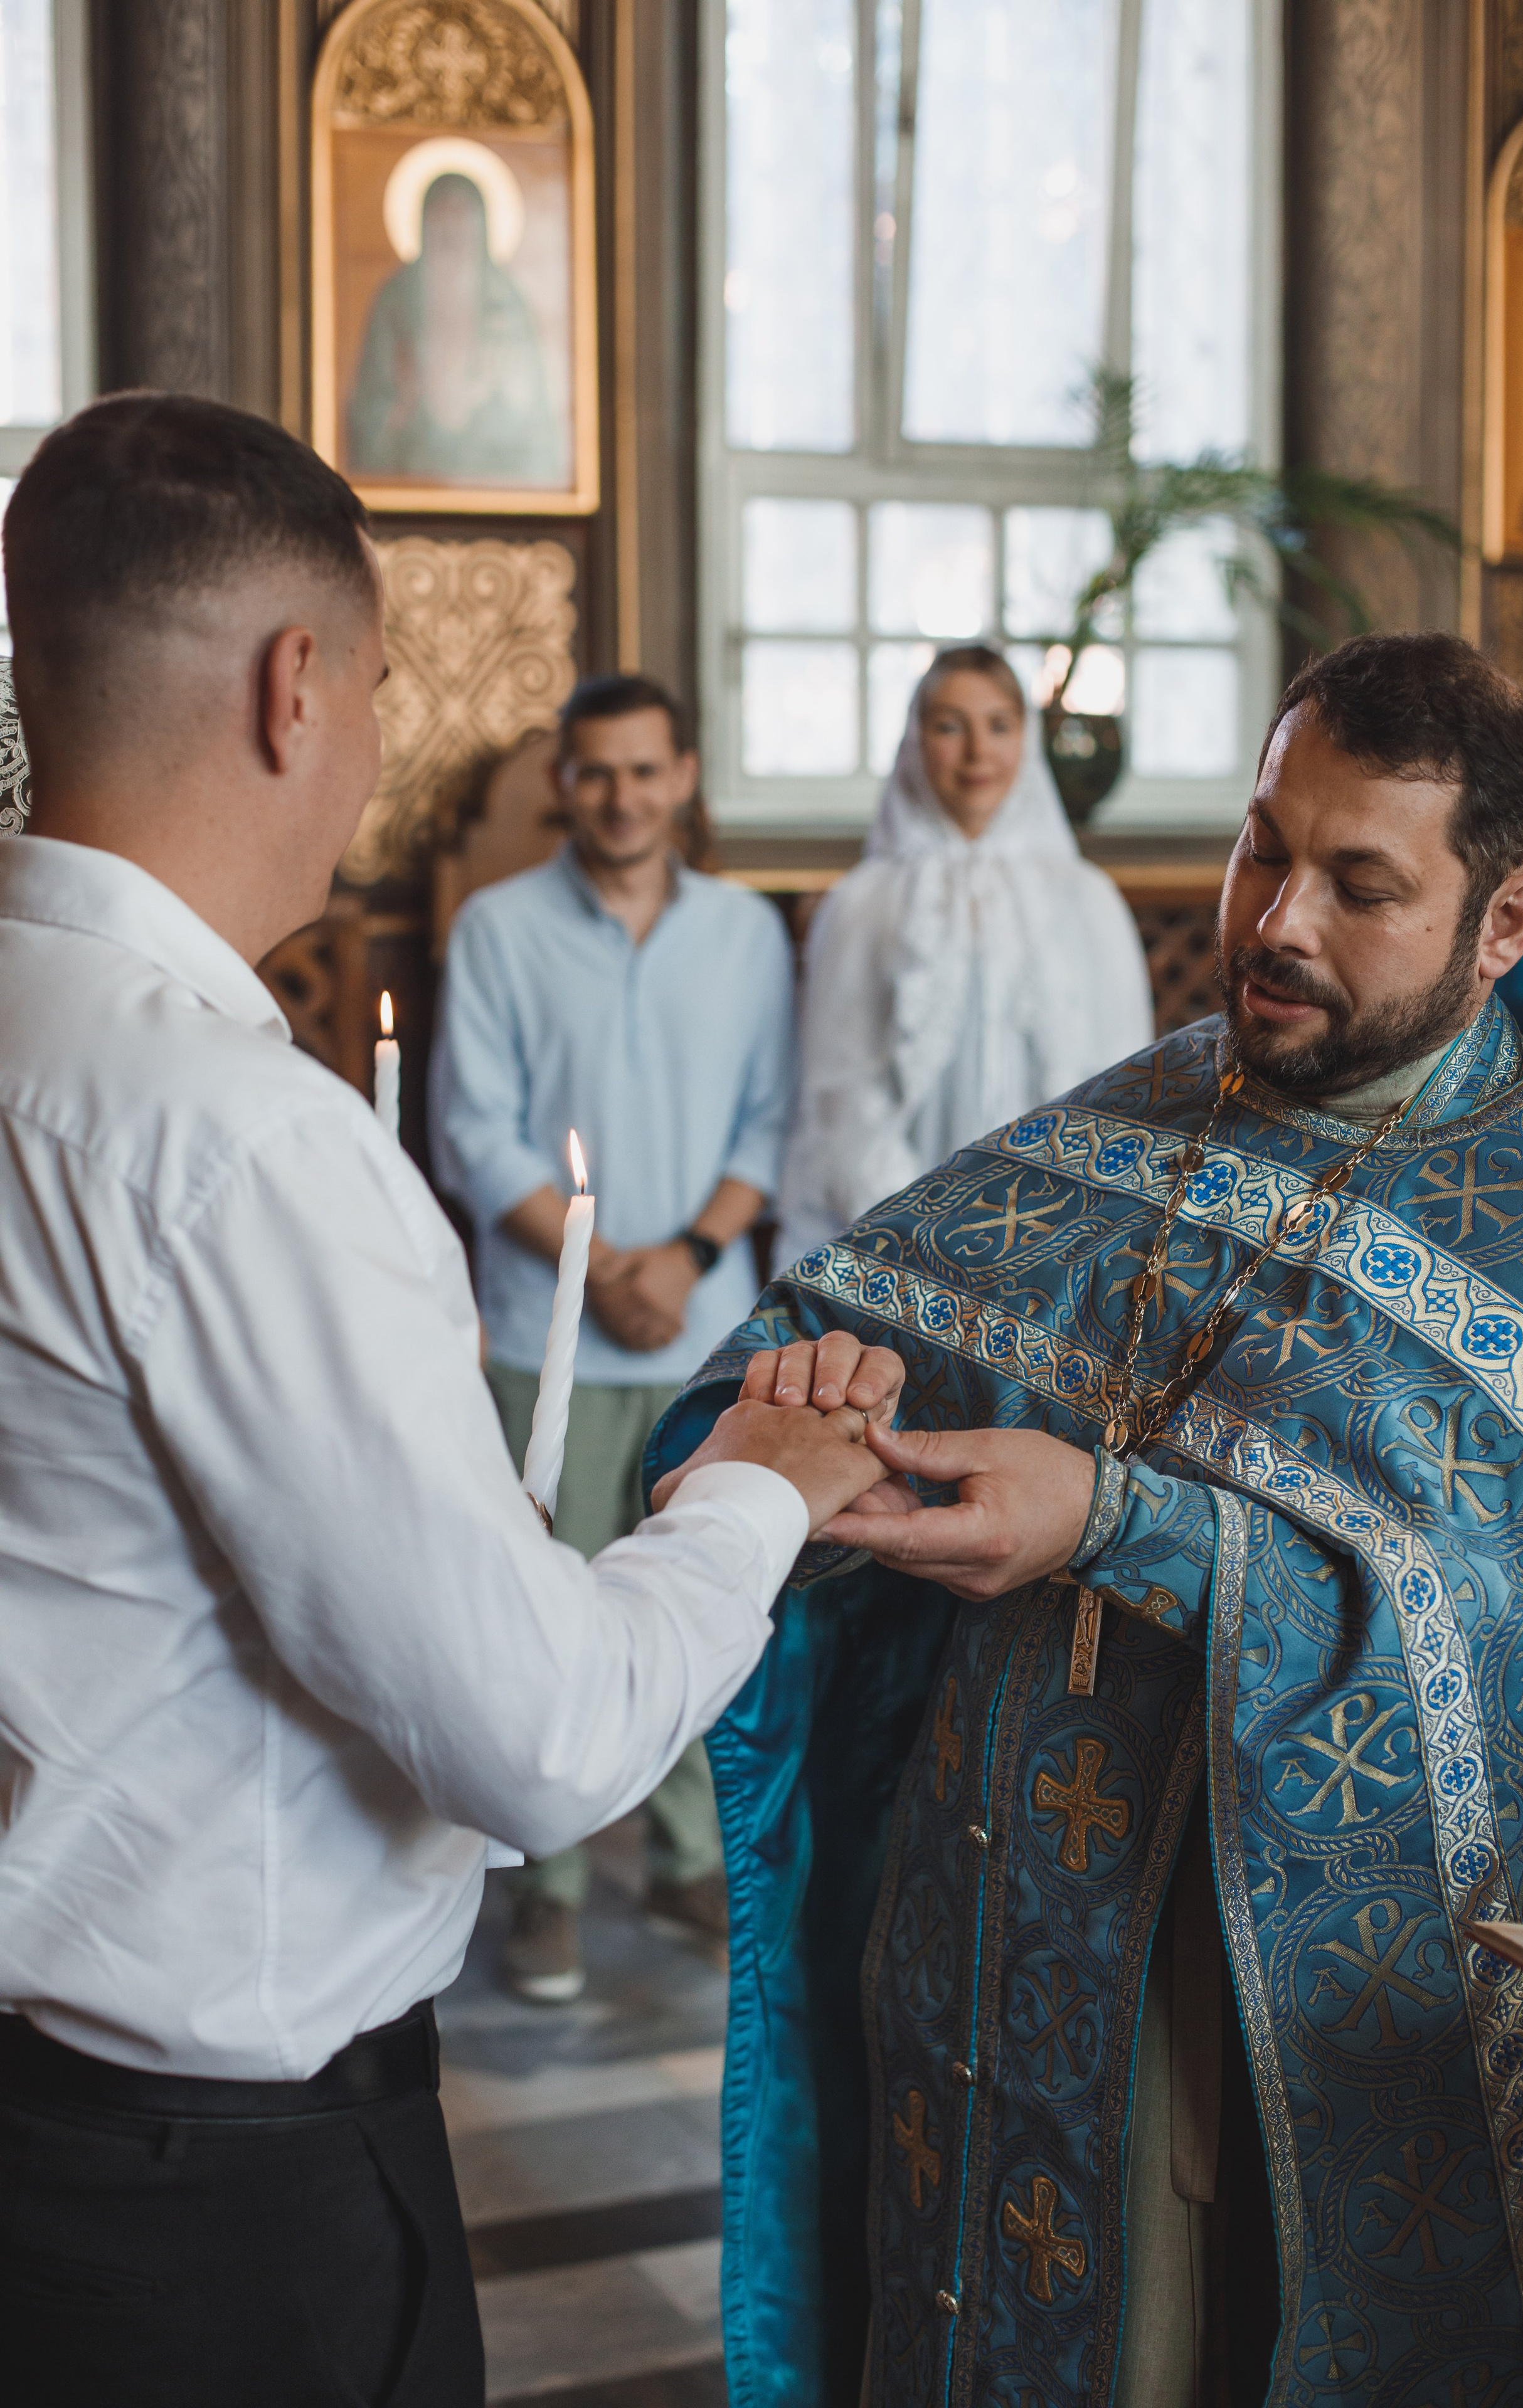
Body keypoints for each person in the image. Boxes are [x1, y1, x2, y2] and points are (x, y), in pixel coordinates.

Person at [0, 392, 894, 2408]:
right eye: (387, 688)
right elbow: (536, 1734)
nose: (380, 746)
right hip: (215, 2192)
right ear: (295, 683)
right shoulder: (233, 1138)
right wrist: (753, 1485)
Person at [647, 631, 1523, 2407]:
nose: (1277, 922)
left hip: (1228, 2015)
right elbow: (805, 1342)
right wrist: (803, 1421)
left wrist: (1120, 1525)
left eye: (1359, 885)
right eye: (1264, 847)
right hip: (977, 1930)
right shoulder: (1153, 1103)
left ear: (1507, 922)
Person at [430, 672, 795, 2003]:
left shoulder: (746, 934)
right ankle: (555, 1880)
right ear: (560, 784)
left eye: (646, 771)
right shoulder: (496, 929)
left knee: (710, 1596)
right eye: (595, 773)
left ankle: (691, 1863)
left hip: (703, 1325)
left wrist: (683, 1259)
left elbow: (768, 1122)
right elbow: (474, 1131)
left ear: (684, 777)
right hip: (550, 1331)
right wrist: (595, 1271)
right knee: (548, 1611)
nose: (621, 796)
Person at [776, 643, 1153, 1265]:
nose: (978, 752)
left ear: (1025, 741)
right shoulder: (863, 901)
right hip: (899, 1238)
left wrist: (1043, 1231)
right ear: (916, 741)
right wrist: (926, 1234)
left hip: (1055, 1240)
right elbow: (840, 1094)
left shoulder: (1087, 899)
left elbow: (1120, 1086)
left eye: (998, 726)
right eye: (950, 726)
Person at [348, 170, 562, 485]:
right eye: (441, 216)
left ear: (482, 227)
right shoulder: (395, 300)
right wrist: (403, 405)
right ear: (423, 225)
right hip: (408, 479)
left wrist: (509, 396)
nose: (452, 230)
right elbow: (368, 418)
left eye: (462, 216)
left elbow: (537, 429)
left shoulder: (506, 300)